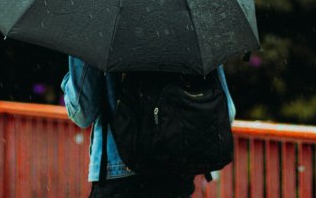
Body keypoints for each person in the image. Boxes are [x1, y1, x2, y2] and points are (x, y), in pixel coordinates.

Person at [61, 56, 236, 198]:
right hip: (176, 175)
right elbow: (228, 112)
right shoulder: (191, 19)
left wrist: (69, 81)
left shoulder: (99, 18)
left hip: (120, 176)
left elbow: (82, 113)